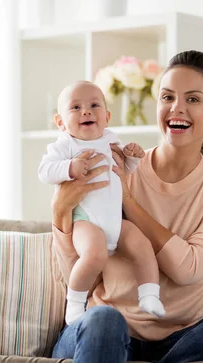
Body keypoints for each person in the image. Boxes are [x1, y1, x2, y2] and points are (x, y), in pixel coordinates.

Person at [50, 51, 203, 363]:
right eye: (168, 97)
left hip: (185, 339)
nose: (177, 108)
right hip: (108, 333)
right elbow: (82, 268)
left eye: (193, 99)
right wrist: (60, 215)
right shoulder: (117, 163)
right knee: (102, 319)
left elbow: (188, 269)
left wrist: (129, 202)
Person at [38, 80, 166, 325]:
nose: (86, 111)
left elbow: (123, 171)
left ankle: (149, 295)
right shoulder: (66, 145)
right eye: (75, 107)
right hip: (85, 220)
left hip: (115, 219)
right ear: (61, 122)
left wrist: (133, 157)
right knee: (95, 256)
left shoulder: (110, 140)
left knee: (142, 245)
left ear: (106, 117)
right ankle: (75, 303)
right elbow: (45, 171)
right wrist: (69, 167)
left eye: (94, 105)